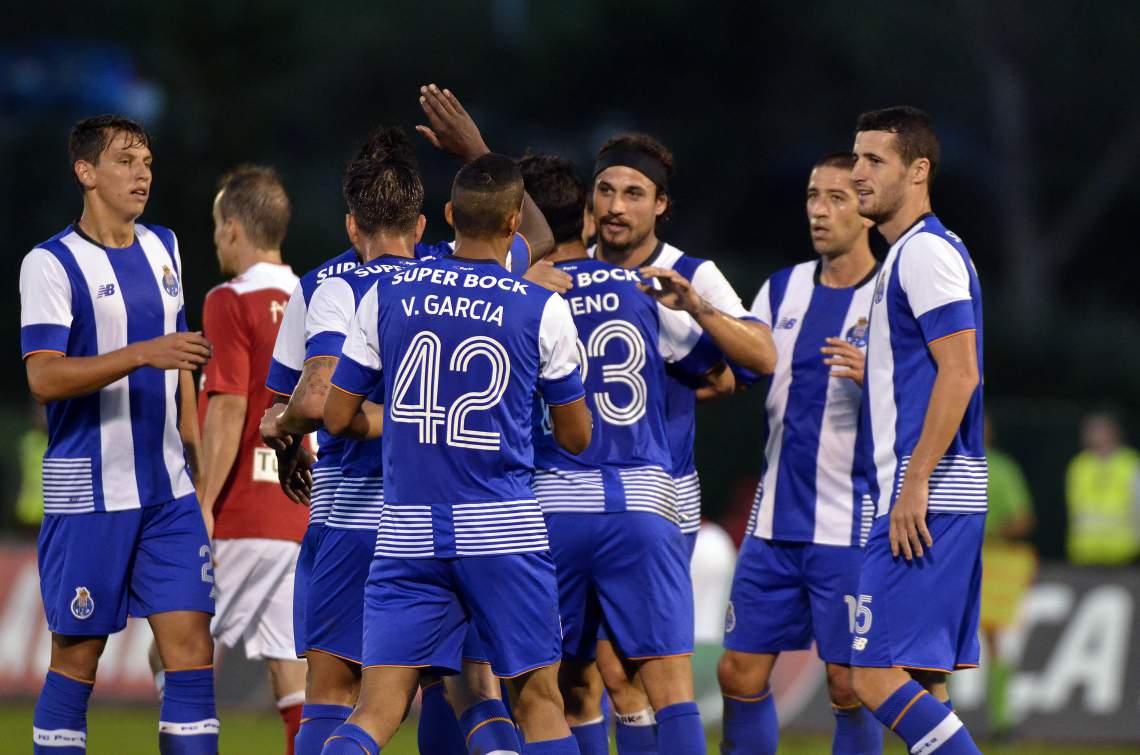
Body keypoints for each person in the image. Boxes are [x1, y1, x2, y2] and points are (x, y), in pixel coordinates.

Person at [320, 154, 592, 755]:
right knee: (538, 703)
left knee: (375, 711)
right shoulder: (538, 305)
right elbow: (577, 438)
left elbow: (337, 418)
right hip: (502, 531)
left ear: (447, 215)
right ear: (515, 222)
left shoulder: (387, 294)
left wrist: (415, 421)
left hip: (408, 532)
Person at [521, 153, 732, 755]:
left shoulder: (520, 298)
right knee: (669, 688)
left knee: (553, 688)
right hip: (642, 504)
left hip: (551, 506)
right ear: (585, 215)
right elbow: (713, 374)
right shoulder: (641, 287)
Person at [20, 114, 217, 753]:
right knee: (77, 661)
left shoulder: (165, 245)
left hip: (167, 492)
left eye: (148, 162)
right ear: (86, 173)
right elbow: (44, 379)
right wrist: (139, 354)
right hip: (91, 493)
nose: (142, 174)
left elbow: (181, 358)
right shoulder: (49, 264)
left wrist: (197, 463)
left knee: (191, 651)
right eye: (126, 161)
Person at [589, 132, 777, 751]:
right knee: (606, 677)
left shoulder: (692, 274)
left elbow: (759, 357)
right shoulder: (566, 267)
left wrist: (696, 308)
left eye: (634, 194)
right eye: (607, 191)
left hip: (658, 495)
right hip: (573, 496)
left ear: (660, 205)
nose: (617, 206)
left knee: (659, 672)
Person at [717, 152, 882, 755]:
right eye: (813, 195)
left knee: (849, 683)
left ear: (867, 207)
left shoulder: (890, 297)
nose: (818, 210)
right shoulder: (781, 288)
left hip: (852, 525)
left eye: (837, 197)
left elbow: (939, 397)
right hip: (773, 520)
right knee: (737, 673)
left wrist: (881, 379)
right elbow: (743, 367)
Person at [848, 106, 985, 753]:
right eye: (856, 158)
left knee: (871, 674)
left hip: (927, 496)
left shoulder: (926, 253)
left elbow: (961, 374)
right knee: (923, 680)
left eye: (875, 160)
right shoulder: (906, 256)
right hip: (930, 492)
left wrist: (915, 481)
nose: (857, 174)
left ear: (919, 170)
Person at [198, 165, 307, 752]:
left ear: (235, 229)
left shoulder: (229, 300)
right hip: (299, 514)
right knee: (291, 670)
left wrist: (204, 504)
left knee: (174, 651)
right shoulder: (314, 295)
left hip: (241, 513)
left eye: (217, 225)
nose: (216, 238)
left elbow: (229, 406)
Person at [979, 415, 1036, 741]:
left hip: (992, 561)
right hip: (965, 560)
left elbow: (1023, 520)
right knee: (954, 639)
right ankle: (943, 713)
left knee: (994, 640)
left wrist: (982, 534)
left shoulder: (1001, 468)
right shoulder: (947, 460)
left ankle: (1001, 721)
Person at [1065, 411, 1140, 565]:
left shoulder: (1131, 464)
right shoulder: (1079, 465)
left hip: (1124, 551)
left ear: (1113, 432)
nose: (1089, 435)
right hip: (1084, 551)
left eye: (1096, 430)